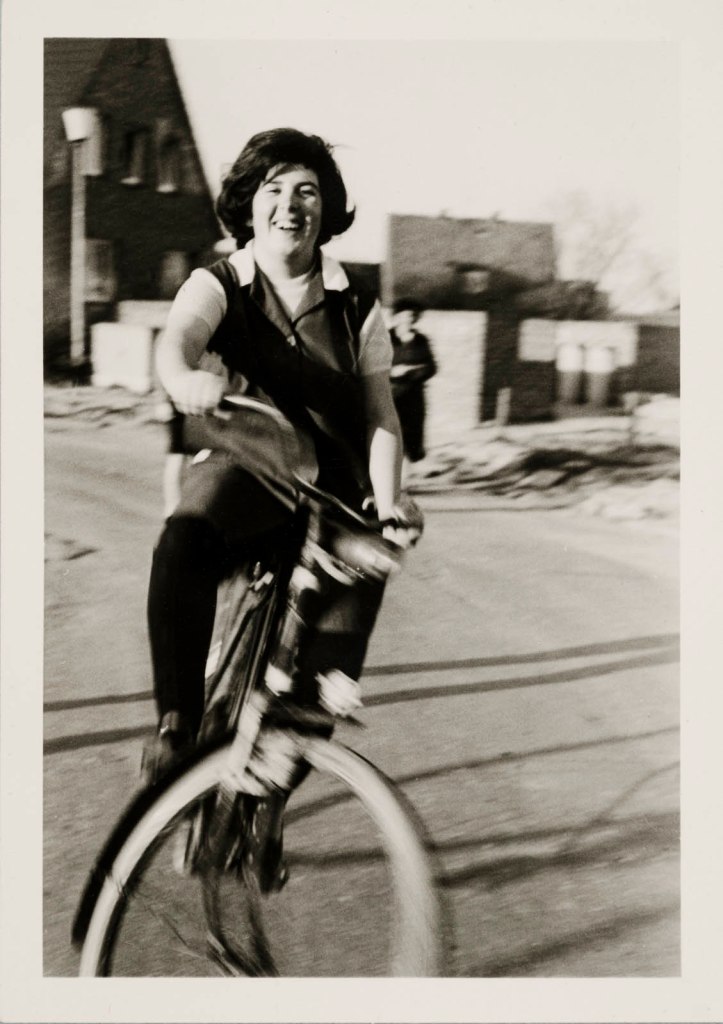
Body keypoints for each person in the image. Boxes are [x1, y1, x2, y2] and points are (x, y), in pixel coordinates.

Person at [144, 128, 420, 787]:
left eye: (307, 192)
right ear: (249, 205)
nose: (289, 206)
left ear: (326, 211)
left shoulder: (355, 305)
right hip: (247, 476)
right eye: (273, 191)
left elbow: (381, 414)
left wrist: (387, 504)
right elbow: (178, 340)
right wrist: (183, 379)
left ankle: (268, 806)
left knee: (316, 695)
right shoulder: (220, 283)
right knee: (181, 547)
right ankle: (177, 727)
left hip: (332, 502)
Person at [389, 299, 437, 478]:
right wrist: (392, 372)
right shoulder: (385, 338)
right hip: (389, 394)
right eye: (404, 315)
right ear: (397, 317)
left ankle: (403, 481)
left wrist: (411, 372)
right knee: (391, 435)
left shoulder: (421, 340)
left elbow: (431, 367)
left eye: (412, 316)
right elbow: (372, 364)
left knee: (412, 437)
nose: (408, 319)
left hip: (414, 396)